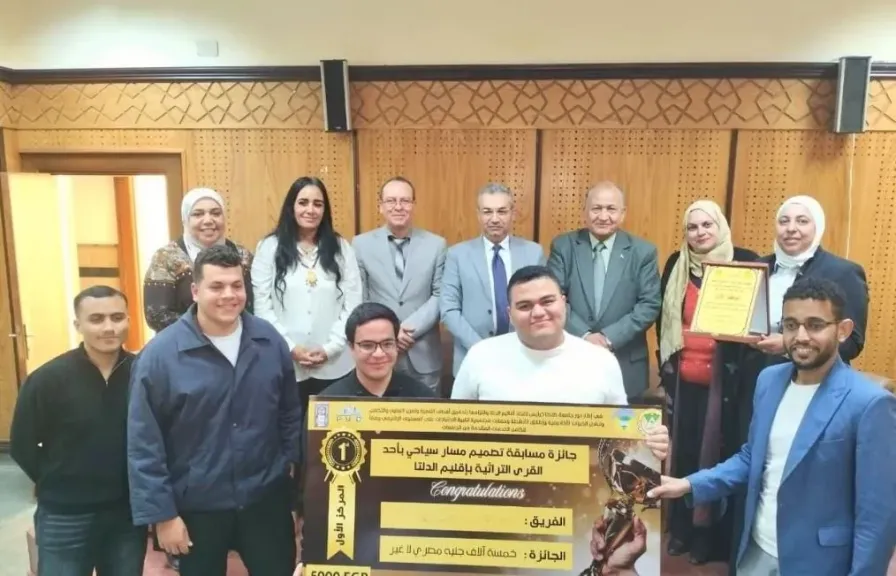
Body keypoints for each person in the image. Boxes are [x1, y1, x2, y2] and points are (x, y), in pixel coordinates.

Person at [648, 277, 896, 576]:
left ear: (843, 330)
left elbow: (876, 516)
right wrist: (689, 484)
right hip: (755, 552)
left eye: (815, 325)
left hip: (819, 563)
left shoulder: (870, 403)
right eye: (791, 325)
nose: (801, 336)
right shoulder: (769, 381)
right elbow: (751, 458)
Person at [128, 244, 303, 576]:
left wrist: (289, 491)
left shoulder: (269, 342)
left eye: (237, 285)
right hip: (196, 508)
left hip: (264, 501)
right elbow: (144, 443)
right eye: (217, 286)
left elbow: (289, 415)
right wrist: (163, 516)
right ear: (195, 291)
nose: (229, 295)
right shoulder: (160, 356)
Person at [10, 285, 147, 576]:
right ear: (78, 325)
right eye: (96, 319)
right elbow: (22, 445)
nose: (108, 327)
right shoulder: (48, 379)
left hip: (127, 514)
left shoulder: (144, 373)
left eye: (117, 317)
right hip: (65, 515)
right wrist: (58, 480)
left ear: (128, 320)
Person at [656, 200, 758, 565]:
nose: (699, 233)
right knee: (683, 455)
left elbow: (755, 323)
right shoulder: (677, 263)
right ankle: (682, 528)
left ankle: (708, 536)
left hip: (725, 386)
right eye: (692, 227)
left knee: (715, 456)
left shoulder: (743, 261)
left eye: (706, 225)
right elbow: (664, 318)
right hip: (683, 382)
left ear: (721, 227)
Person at [252, 176, 363, 412]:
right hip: (285, 363)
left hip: (335, 365)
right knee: (291, 428)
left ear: (325, 210)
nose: (310, 210)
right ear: (291, 207)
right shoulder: (269, 247)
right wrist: (291, 347)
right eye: (303, 202)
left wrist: (331, 348)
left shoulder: (341, 248)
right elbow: (262, 308)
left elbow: (353, 304)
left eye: (317, 204)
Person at [548, 181, 662, 402]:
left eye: (611, 209)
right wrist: (585, 336)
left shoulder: (643, 252)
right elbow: (553, 298)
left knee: (621, 424)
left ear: (623, 213)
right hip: (571, 361)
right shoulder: (564, 246)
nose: (603, 216)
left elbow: (649, 304)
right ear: (584, 211)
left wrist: (608, 338)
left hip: (625, 364)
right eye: (596, 208)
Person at [352, 177, 447, 394]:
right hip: (377, 353)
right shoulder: (360, 245)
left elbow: (440, 295)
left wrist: (409, 329)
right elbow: (361, 298)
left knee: (426, 414)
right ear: (381, 206)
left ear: (413, 205)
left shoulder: (436, 245)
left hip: (422, 351)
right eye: (391, 201)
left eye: (405, 201)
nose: (398, 207)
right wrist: (391, 332)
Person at [440, 182, 545, 376]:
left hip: (523, 359)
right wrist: (481, 349)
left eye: (502, 211)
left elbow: (541, 306)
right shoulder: (457, 255)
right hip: (472, 358)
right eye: (487, 212)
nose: (494, 219)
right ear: (478, 215)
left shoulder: (533, 253)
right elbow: (449, 310)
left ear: (513, 213)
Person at [143, 187, 254, 332]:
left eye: (216, 213)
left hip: (238, 338)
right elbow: (156, 316)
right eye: (198, 214)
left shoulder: (242, 255)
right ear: (185, 219)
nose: (208, 220)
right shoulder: (165, 258)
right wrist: (208, 330)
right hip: (182, 341)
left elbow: (253, 306)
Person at [320, 302, 438, 398]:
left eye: (387, 344)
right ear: (351, 347)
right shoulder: (329, 402)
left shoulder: (423, 399)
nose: (379, 354)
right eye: (367, 345)